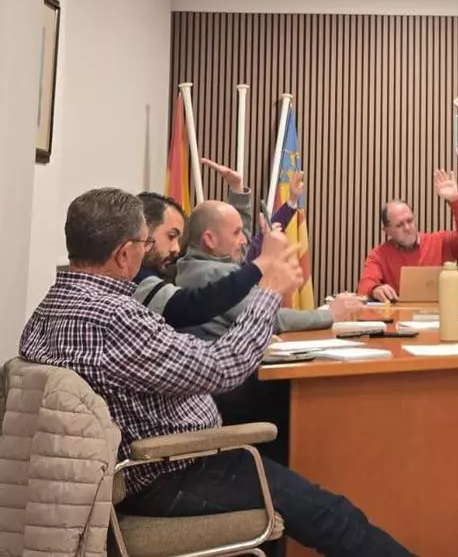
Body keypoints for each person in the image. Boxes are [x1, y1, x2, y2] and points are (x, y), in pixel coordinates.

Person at [21, 188, 414, 556]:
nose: (153, 251)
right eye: (145, 242)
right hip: (169, 469)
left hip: (130, 469)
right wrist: (269, 291)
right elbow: (223, 367)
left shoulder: (47, 310)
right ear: (124, 254)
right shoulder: (116, 318)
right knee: (333, 513)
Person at [174, 161, 361, 340]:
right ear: (210, 240)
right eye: (237, 233)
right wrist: (330, 314)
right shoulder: (214, 274)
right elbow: (269, 317)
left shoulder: (195, 265)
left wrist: (237, 189)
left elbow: (239, 243)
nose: (244, 240)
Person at [132, 192, 266, 327]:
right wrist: (263, 265)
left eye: (179, 240)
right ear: (143, 232)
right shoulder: (137, 280)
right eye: (171, 236)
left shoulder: (169, 269)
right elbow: (193, 304)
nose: (176, 249)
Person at [356, 169, 458, 302]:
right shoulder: (378, 255)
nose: (407, 228)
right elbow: (364, 286)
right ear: (387, 231)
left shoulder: (440, 242)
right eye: (399, 225)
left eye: (409, 221)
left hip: (439, 311)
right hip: (400, 313)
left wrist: (456, 200)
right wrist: (375, 289)